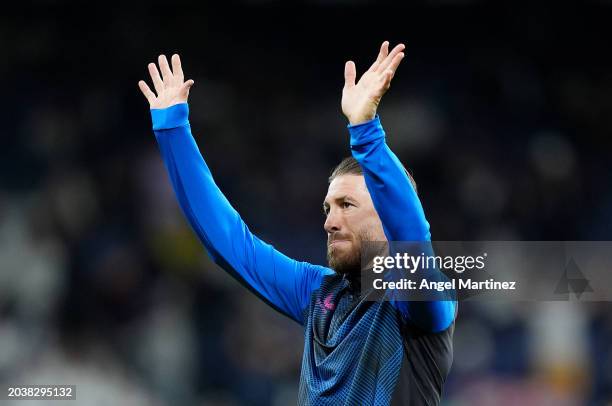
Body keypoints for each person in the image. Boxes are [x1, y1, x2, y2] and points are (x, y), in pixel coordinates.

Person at [138, 41, 456, 405]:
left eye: (347, 205)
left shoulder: (419, 305)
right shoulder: (317, 292)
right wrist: (173, 129)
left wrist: (366, 130)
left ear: (386, 215)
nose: (330, 222)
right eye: (327, 209)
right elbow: (230, 243)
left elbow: (412, 239)